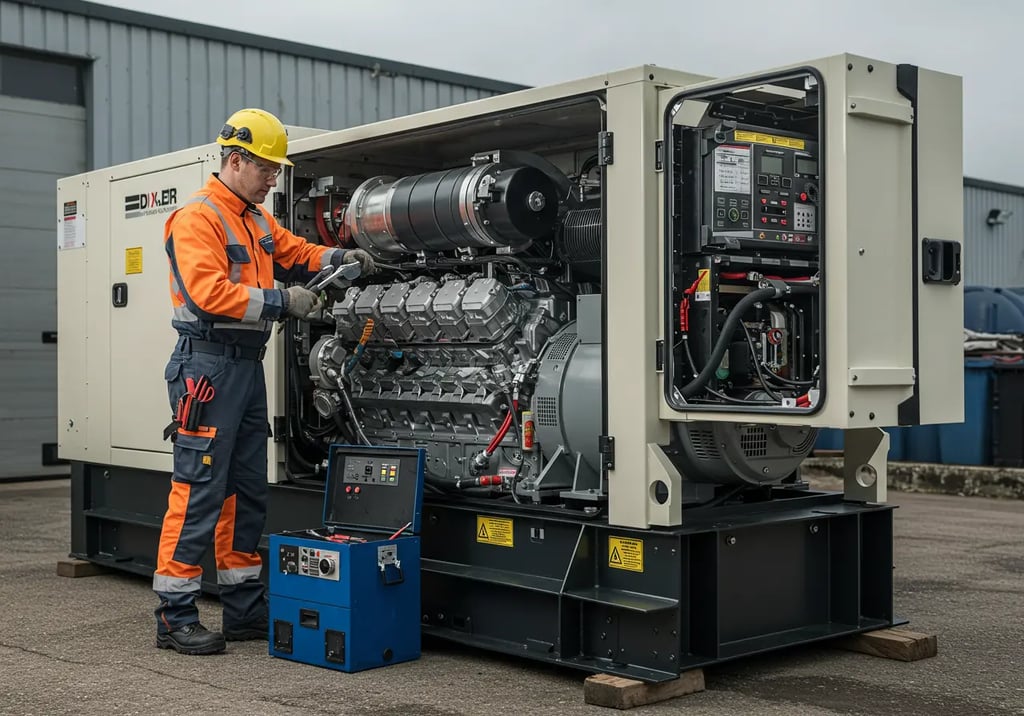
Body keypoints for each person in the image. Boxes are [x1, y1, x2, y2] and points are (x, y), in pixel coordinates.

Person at [152, 108, 375, 655]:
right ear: (235, 160)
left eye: (277, 169)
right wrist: (282, 300)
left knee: (247, 491)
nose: (274, 178)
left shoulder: (254, 220)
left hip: (244, 369)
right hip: (206, 369)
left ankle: (244, 611)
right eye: (268, 168)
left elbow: (296, 253)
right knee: (200, 488)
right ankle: (173, 616)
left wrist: (340, 256)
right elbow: (208, 293)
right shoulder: (197, 219)